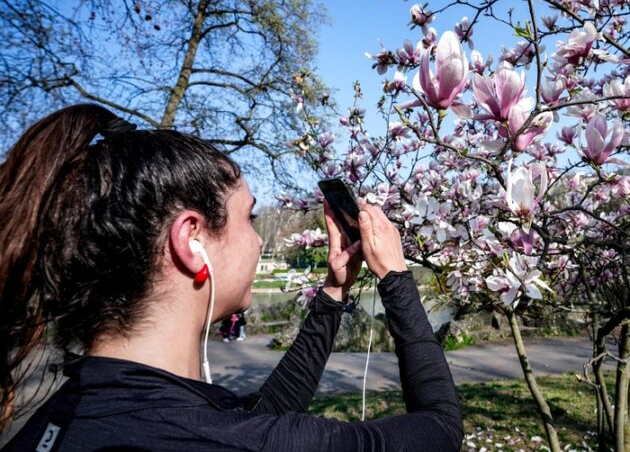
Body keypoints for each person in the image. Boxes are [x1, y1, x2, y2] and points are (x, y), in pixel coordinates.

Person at [0, 104, 462, 451]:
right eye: (250, 217)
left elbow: (258, 416)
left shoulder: (57, 419)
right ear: (191, 239)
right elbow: (440, 428)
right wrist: (396, 277)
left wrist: (335, 291)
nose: (259, 240)